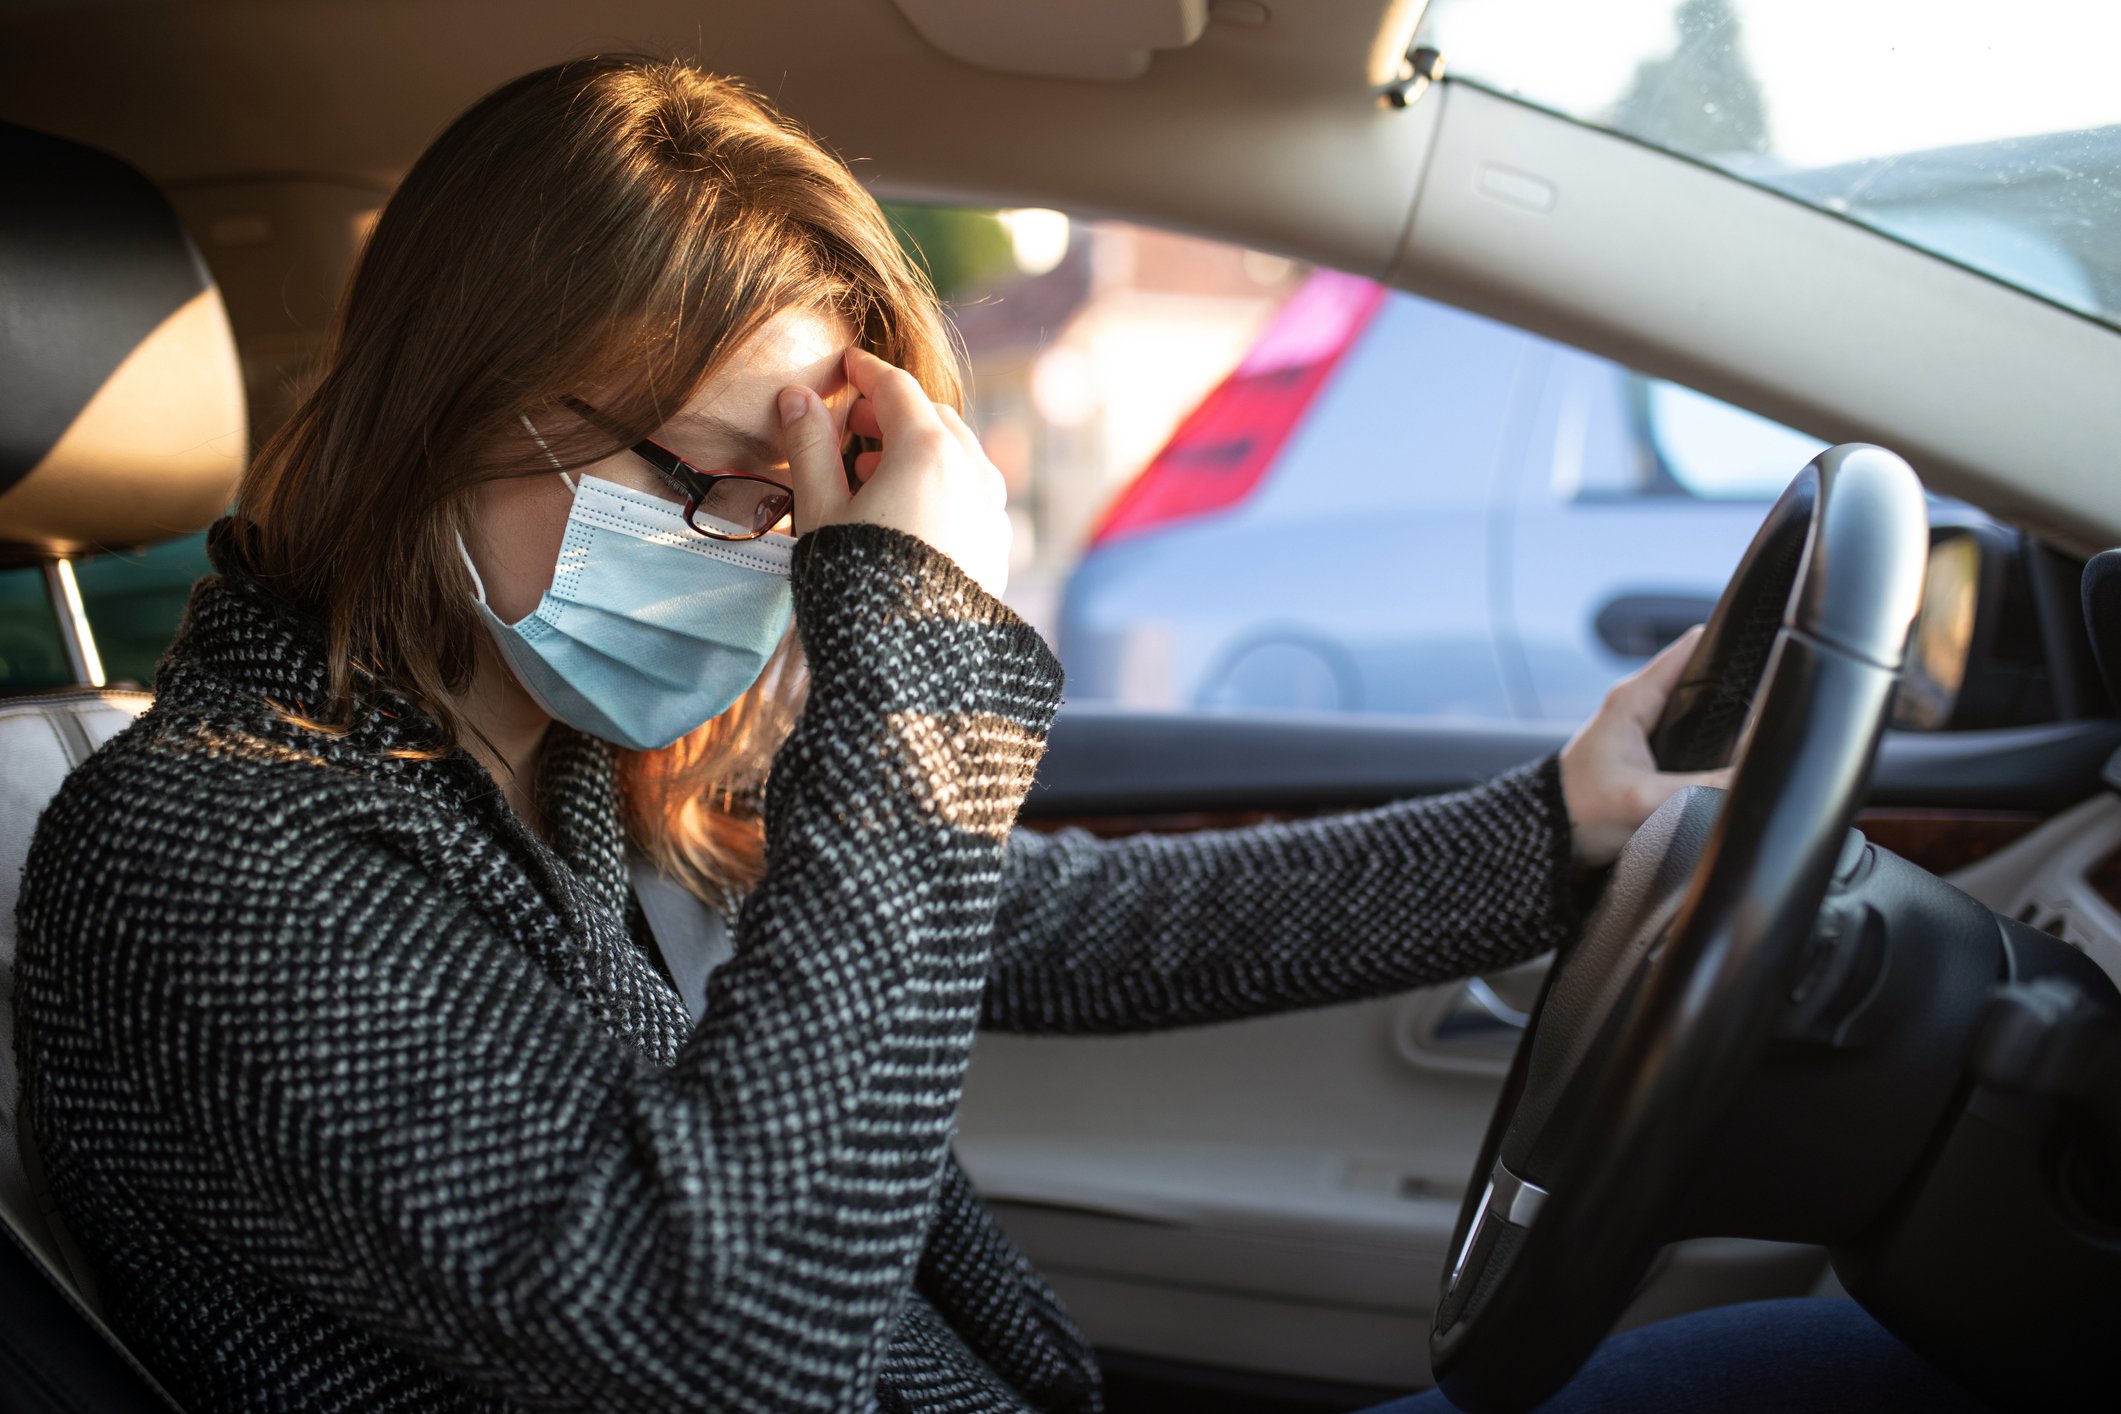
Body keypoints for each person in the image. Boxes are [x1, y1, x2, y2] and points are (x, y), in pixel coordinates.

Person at [18, 54, 1778, 1414]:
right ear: (458, 401)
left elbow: (1052, 916)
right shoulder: (207, 850)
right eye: (720, 482)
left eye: (806, 507)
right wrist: (917, 654)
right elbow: (727, 1341)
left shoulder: (542, 768)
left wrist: (1554, 822)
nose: (775, 563)